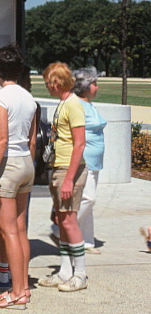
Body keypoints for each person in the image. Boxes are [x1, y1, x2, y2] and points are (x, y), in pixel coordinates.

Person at [0, 45, 37, 310]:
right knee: (21, 229)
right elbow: (32, 139)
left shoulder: (0, 97)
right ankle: (23, 286)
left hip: (9, 165)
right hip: (27, 163)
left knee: (8, 231)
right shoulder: (29, 98)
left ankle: (16, 293)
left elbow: (1, 139)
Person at [38, 62, 88, 292]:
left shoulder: (74, 104)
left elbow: (79, 144)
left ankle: (80, 274)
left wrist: (69, 179)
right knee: (62, 220)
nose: (46, 86)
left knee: (69, 220)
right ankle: (66, 271)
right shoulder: (64, 103)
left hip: (70, 168)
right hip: (59, 167)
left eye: (48, 82)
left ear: (56, 82)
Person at [51, 67, 106, 253]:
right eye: (94, 84)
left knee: (89, 201)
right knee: (88, 199)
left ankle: (87, 240)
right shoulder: (77, 105)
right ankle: (61, 226)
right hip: (84, 161)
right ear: (84, 86)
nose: (97, 88)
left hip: (94, 162)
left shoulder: (88, 104)